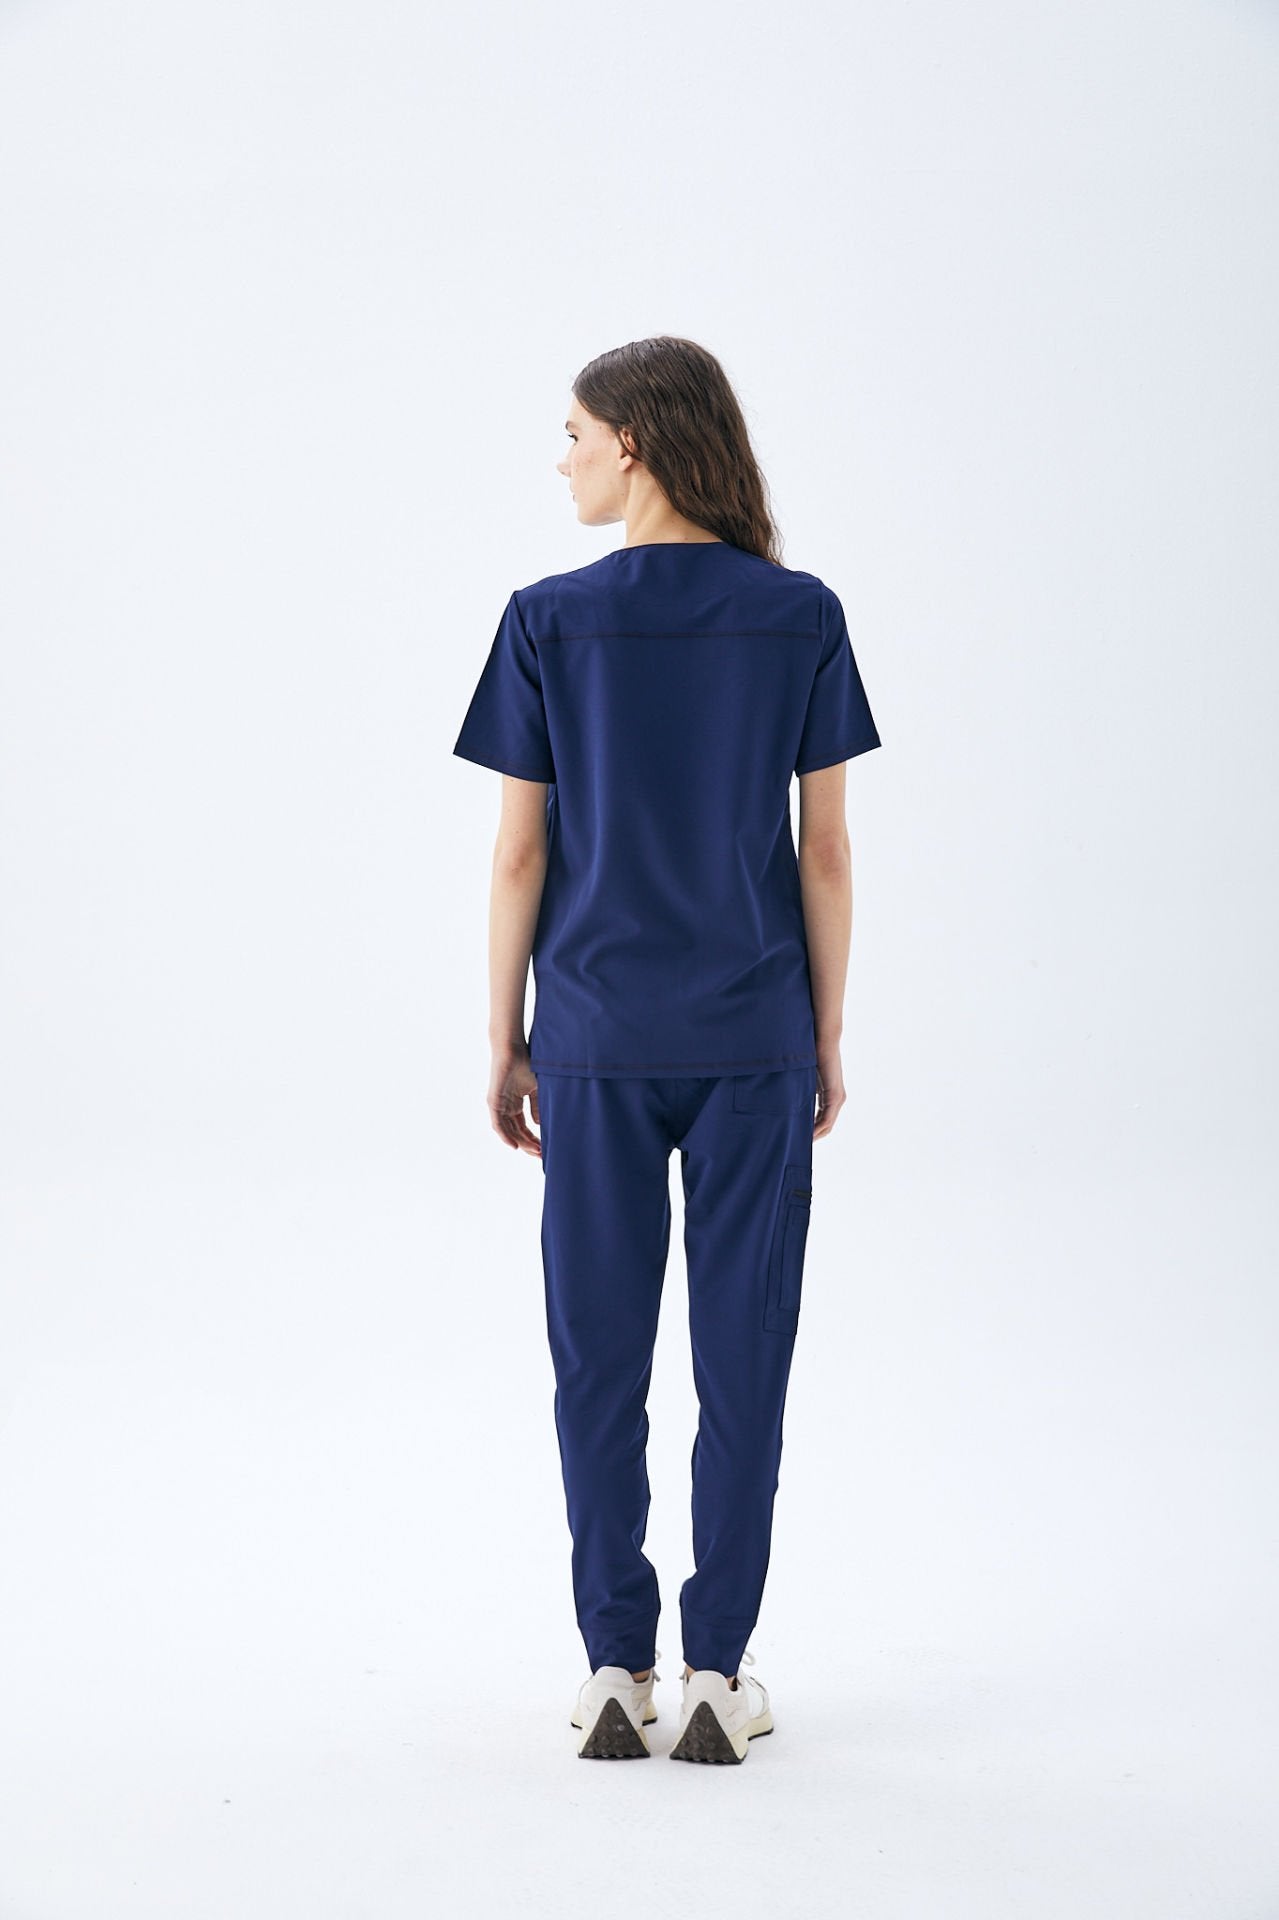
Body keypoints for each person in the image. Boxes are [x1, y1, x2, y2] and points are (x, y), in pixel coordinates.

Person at [452, 335, 881, 1763]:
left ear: (632, 441)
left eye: (574, 435)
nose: (562, 460)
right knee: (742, 1354)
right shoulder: (800, 615)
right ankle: (717, 1672)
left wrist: (504, 1035)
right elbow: (826, 853)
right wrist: (824, 1031)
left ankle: (612, 1669)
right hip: (753, 1036)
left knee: (598, 1358)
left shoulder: (546, 622)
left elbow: (520, 856)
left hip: (590, 1038)